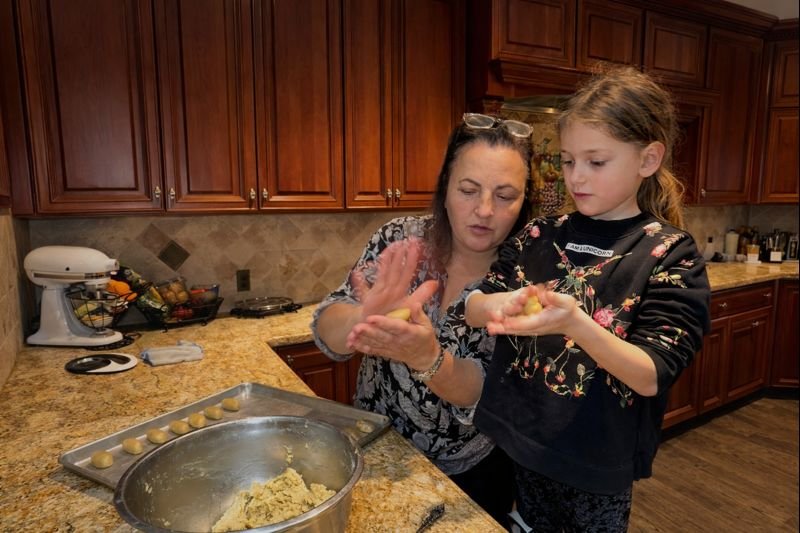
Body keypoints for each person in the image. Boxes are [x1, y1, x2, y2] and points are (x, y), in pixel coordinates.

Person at [459, 66, 711, 531]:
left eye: (596, 162)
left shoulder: (668, 254)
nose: (577, 177)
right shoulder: (540, 232)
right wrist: (498, 305)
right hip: (511, 438)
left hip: (592, 463)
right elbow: (474, 303)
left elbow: (652, 374)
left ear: (648, 159)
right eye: (569, 160)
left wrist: (576, 323)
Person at [310, 113, 534, 528]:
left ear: (523, 202)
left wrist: (429, 358)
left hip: (471, 474)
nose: (484, 210)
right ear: (445, 187)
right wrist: (361, 318)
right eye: (468, 190)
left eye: (505, 196)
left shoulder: (525, 275)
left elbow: (489, 393)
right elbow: (328, 326)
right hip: (376, 448)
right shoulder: (401, 239)